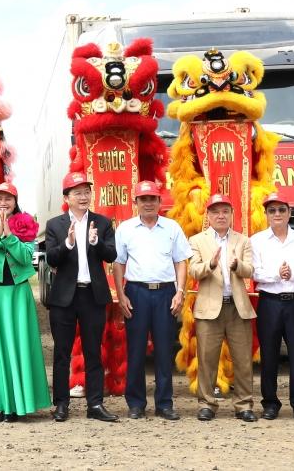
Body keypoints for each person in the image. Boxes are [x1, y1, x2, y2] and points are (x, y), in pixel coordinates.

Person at [43, 172, 119, 423]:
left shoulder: (103, 222)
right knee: (62, 353)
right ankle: (62, 404)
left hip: (92, 295)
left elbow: (111, 255)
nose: (83, 196)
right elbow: (52, 258)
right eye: (77, 192)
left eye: (87, 191)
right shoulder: (55, 224)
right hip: (64, 297)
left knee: (93, 351)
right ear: (67, 197)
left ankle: (95, 404)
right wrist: (68, 243)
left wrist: (95, 243)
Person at [113, 180, 192, 420]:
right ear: (135, 202)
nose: (148, 203)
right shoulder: (125, 229)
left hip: (166, 293)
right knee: (136, 350)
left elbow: (181, 261)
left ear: (159, 202)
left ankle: (164, 403)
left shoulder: (172, 228)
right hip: (136, 293)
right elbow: (118, 263)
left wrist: (180, 291)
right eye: (143, 199)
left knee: (164, 350)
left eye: (152, 199)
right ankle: (136, 403)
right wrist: (121, 294)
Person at [0, 182, 50, 422]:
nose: (3, 203)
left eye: (8, 198)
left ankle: (18, 404)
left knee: (19, 347)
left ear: (15, 202)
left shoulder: (24, 224)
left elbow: (27, 257)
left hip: (18, 295)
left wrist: (10, 237)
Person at [187, 194, 256, 422]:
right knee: (206, 359)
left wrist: (238, 265)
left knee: (243, 359)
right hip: (209, 309)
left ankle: (244, 405)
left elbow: (250, 270)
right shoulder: (197, 241)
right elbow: (194, 271)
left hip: (237, 308)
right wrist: (211, 264)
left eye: (225, 211)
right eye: (215, 212)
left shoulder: (242, 240)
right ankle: (207, 403)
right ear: (208, 216)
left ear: (231, 214)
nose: (221, 216)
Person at [251, 192, 294, 421]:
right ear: (266, 215)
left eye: (281, 210)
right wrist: (276, 275)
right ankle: (270, 403)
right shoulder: (257, 240)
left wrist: (292, 274)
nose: (277, 214)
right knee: (269, 355)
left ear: (290, 213)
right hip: (269, 302)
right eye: (272, 210)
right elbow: (255, 272)